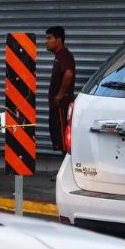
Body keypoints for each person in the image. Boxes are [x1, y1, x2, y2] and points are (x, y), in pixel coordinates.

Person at [46, 26, 76, 154]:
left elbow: (69, 74)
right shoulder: (59, 56)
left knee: (64, 142)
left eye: (49, 38)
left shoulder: (64, 55)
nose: (46, 41)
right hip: (58, 106)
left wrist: (59, 95)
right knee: (60, 139)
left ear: (59, 40)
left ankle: (66, 170)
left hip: (62, 106)